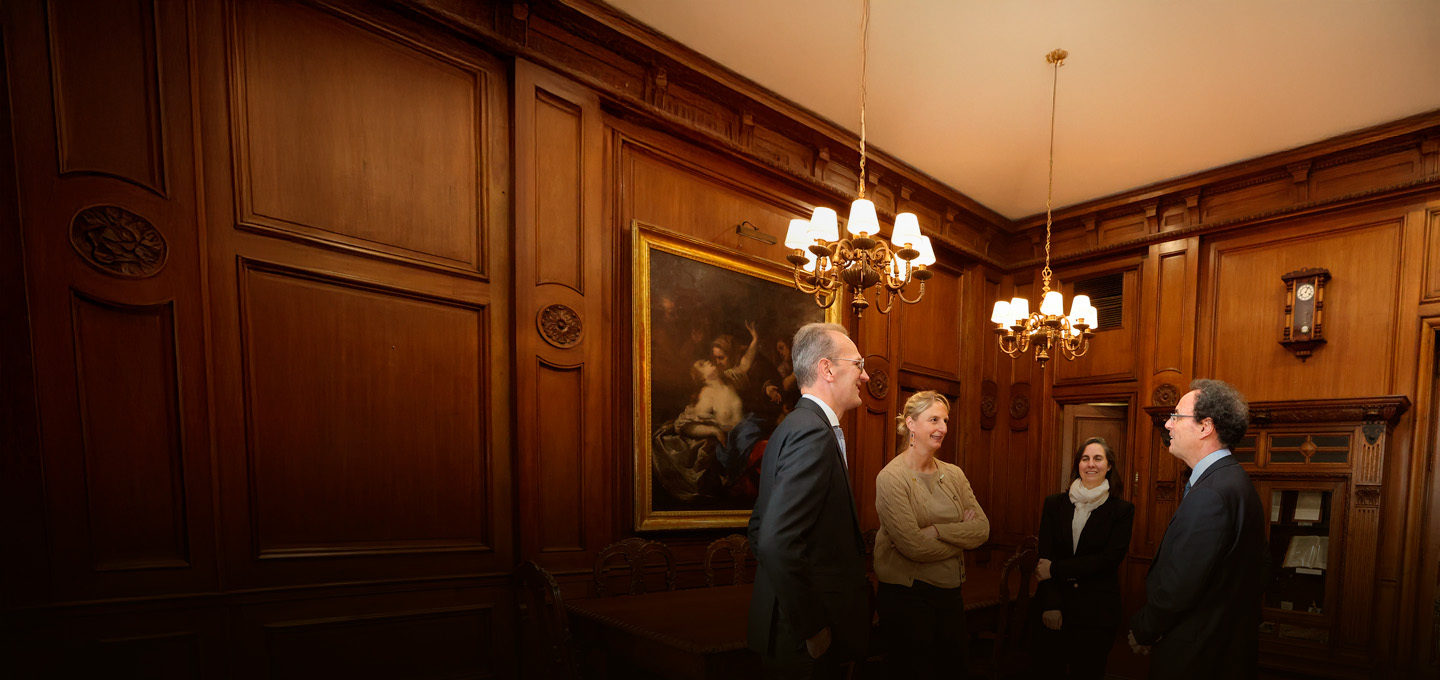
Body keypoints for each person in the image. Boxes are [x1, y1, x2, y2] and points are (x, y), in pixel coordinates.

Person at [748, 322, 872, 679]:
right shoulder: (812, 433)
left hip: (788, 632)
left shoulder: (791, 425)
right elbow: (774, 542)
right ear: (827, 369)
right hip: (803, 642)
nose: (864, 377)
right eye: (858, 365)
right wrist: (813, 627)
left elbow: (759, 528)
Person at [1129, 379, 1267, 679]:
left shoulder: (1212, 493)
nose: (1167, 425)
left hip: (1198, 655)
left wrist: (1143, 629)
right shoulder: (1230, 480)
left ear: (1206, 427)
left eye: (1176, 416)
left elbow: (1182, 584)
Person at [873, 390, 990, 679]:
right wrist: (960, 538)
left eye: (945, 420)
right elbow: (913, 547)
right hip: (907, 598)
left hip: (950, 594)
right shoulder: (891, 477)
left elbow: (982, 529)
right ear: (911, 424)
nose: (943, 428)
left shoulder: (954, 475)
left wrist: (937, 530)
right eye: (934, 419)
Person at [1032, 437, 1135, 680]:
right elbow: (1044, 556)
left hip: (1097, 613)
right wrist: (1051, 605)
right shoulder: (1054, 504)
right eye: (1085, 458)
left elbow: (1108, 560)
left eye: (1098, 458)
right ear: (1077, 464)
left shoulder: (1122, 510)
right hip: (1055, 608)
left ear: (1109, 466)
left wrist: (1056, 569)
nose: (1091, 464)